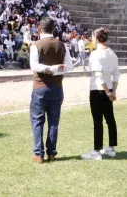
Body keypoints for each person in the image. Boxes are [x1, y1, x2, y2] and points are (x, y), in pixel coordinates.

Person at [29, 18, 73, 163]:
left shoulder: (36, 45)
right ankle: (51, 153)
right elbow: (69, 67)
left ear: (40, 28)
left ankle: (38, 154)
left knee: (37, 121)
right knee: (54, 121)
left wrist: (48, 70)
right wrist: (55, 69)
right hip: (57, 88)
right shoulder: (62, 45)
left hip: (40, 87)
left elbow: (34, 66)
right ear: (53, 29)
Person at [81, 28, 119, 160]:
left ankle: (97, 151)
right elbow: (116, 73)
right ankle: (111, 148)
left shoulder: (95, 54)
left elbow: (98, 75)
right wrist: (113, 90)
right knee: (110, 119)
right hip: (108, 88)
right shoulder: (112, 53)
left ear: (96, 38)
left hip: (98, 90)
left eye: (92, 36)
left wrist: (109, 92)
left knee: (98, 121)